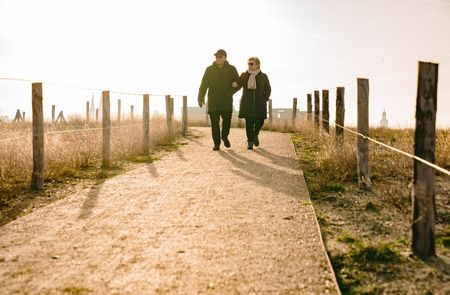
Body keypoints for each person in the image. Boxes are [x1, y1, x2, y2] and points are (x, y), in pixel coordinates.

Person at [198, 49, 240, 151]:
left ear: (225, 57)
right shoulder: (209, 69)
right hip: (213, 101)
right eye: (216, 57)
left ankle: (224, 136)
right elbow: (204, 84)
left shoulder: (231, 69)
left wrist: (230, 92)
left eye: (220, 57)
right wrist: (200, 97)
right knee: (215, 124)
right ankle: (216, 143)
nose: (218, 58)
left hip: (226, 101)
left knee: (226, 122)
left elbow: (238, 84)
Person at [238, 57, 271, 150]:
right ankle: (250, 141)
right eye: (248, 63)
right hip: (247, 103)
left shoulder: (263, 76)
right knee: (249, 123)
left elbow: (268, 89)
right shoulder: (244, 75)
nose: (249, 65)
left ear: (257, 65)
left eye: (251, 63)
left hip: (260, 103)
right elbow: (238, 83)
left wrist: (265, 98)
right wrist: (234, 84)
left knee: (260, 121)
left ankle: (255, 134)